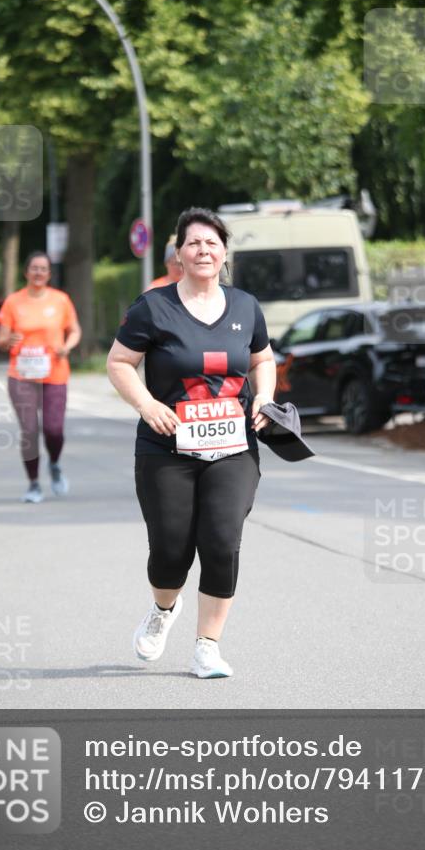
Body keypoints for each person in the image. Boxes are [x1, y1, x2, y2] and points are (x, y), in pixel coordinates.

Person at [107, 207, 276, 678]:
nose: (204, 250)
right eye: (194, 243)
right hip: (166, 448)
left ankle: (208, 646)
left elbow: (263, 358)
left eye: (212, 243)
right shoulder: (153, 307)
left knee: (222, 541)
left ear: (224, 253)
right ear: (179, 253)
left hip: (234, 446)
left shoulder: (245, 306)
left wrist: (264, 396)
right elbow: (119, 362)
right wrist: (146, 405)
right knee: (169, 550)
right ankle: (163, 610)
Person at [0, 251, 81, 503]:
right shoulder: (13, 302)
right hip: (21, 375)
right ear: (26, 272)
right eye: (34, 268)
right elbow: (1, 339)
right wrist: (7, 340)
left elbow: (74, 330)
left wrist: (67, 346)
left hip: (54, 372)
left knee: (53, 430)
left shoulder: (61, 300)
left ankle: (54, 463)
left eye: (43, 269)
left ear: (49, 273)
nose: (38, 273)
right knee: (30, 431)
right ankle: (33, 483)